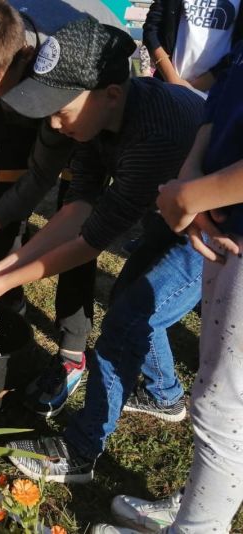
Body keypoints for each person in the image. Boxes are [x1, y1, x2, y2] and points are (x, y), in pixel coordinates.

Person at [0, 16, 206, 482]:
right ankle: (167, 396)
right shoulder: (92, 127)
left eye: (60, 110)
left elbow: (91, 242)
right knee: (136, 293)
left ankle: (78, 453)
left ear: (110, 93)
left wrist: (5, 280)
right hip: (172, 210)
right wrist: (5, 265)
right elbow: (77, 209)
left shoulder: (152, 135)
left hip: (218, 226)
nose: (52, 122)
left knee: (127, 322)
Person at [0, 0, 123, 417]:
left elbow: (42, 174)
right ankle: (5, 306)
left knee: (76, 216)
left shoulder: (56, 63)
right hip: (26, 86)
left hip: (86, 90)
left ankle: (70, 352)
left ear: (24, 62)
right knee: (1, 182)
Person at [91, 41, 243, 534]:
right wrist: (191, 179)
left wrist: (196, 194)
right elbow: (220, 105)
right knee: (224, 396)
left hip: (228, 226)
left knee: (224, 406)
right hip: (221, 220)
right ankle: (200, 504)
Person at [143, 0, 243, 97]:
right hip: (169, 90)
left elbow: (239, 50)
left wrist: (194, 87)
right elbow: (151, 30)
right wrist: (173, 80)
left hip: (217, 96)